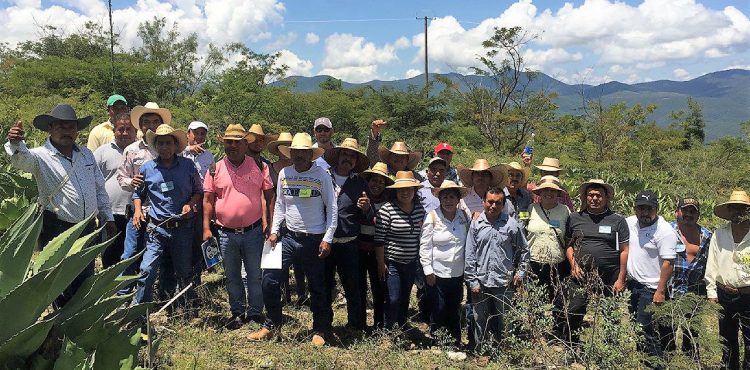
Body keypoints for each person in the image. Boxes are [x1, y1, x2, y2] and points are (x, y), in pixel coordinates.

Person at [4, 104, 115, 308]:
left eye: (71, 127)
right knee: (60, 280)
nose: (66, 131)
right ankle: (59, 326)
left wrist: (107, 216)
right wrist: (15, 143)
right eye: (61, 126)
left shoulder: (86, 155)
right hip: (58, 228)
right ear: (50, 128)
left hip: (88, 226)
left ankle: (79, 320)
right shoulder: (39, 156)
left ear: (76, 130)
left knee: (85, 275)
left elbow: (99, 187)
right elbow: (20, 161)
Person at [249, 133, 337, 346]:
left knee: (317, 286)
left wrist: (327, 238)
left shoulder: (322, 175)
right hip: (287, 237)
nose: (299, 155)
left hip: (314, 239)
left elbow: (332, 208)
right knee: (269, 280)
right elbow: (280, 205)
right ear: (291, 153)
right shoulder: (284, 173)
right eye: (295, 152)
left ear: (310, 154)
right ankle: (271, 325)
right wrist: (274, 230)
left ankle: (320, 329)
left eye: (303, 152)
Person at [203, 124, 274, 328]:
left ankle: (255, 313)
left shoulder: (259, 166)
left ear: (245, 144)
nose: (232, 146)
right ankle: (237, 312)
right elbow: (208, 200)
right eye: (228, 142)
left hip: (253, 231)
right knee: (232, 275)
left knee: (254, 274)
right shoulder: (215, 168)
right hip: (225, 233)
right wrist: (206, 228)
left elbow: (270, 196)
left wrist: (268, 222)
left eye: (237, 142)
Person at [131, 124, 202, 305]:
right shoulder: (147, 168)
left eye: (168, 143)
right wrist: (138, 210)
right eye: (160, 143)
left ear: (175, 145)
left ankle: (186, 307)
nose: (164, 147)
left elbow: (198, 191)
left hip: (182, 227)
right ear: (156, 146)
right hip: (157, 228)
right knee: (146, 270)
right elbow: (138, 194)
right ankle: (140, 312)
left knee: (184, 270)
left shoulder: (187, 166)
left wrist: (189, 205)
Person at [561, 179, 629, 344]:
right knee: (575, 309)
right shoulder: (575, 218)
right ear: (585, 197)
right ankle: (572, 344)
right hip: (581, 274)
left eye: (598, 195)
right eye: (590, 195)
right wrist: (574, 265)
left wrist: (621, 278)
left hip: (609, 275)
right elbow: (568, 246)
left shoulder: (617, 220)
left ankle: (610, 349)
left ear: (606, 197)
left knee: (610, 313)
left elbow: (625, 250)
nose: (594, 198)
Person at [116, 102, 172, 293]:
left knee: (161, 255)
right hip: (138, 211)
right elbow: (121, 177)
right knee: (130, 253)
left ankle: (161, 292)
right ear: (140, 125)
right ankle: (123, 294)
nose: (151, 125)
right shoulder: (131, 150)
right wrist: (132, 182)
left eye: (155, 121)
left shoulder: (169, 147)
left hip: (163, 213)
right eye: (146, 122)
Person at [464, 187, 529, 351]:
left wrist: (520, 273)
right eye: (490, 202)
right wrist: (472, 281)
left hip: (504, 281)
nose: (493, 206)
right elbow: (470, 254)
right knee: (480, 318)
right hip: (481, 281)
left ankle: (504, 349)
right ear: (483, 202)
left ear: (503, 204)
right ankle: (483, 350)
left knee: (505, 318)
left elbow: (524, 250)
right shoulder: (476, 224)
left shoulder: (512, 225)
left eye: (498, 203)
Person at [322, 138, 370, 329]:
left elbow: (368, 213)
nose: (348, 159)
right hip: (325, 242)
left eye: (352, 156)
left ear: (356, 162)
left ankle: (355, 325)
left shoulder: (360, 182)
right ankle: (325, 324)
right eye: (345, 154)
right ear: (338, 156)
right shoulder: (323, 177)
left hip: (350, 243)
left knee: (353, 287)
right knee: (324, 285)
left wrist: (366, 208)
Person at [625, 190, 677, 360]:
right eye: (641, 208)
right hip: (633, 284)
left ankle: (656, 362)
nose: (645, 213)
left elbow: (668, 263)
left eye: (649, 209)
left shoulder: (665, 231)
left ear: (657, 208)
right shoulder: (630, 223)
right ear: (635, 209)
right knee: (636, 323)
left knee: (645, 326)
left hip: (652, 287)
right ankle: (643, 358)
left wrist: (660, 291)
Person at [420, 180, 471, 346]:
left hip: (457, 272)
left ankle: (455, 340)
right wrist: (428, 270)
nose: (448, 201)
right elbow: (425, 245)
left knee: (454, 307)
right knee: (438, 308)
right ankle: (438, 340)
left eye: (452, 197)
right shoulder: (432, 216)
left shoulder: (463, 216)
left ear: (458, 200)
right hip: (437, 273)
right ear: (440, 199)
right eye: (445, 197)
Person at [705, 190, 750, 370]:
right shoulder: (719, 234)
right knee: (727, 341)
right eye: (734, 207)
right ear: (729, 210)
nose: (738, 211)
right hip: (725, 295)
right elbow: (712, 263)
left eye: (742, 207)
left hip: (748, 296)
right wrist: (711, 292)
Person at [375, 171, 426, 329]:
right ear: (395, 191)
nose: (405, 193)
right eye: (401, 189)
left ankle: (402, 326)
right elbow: (379, 240)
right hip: (393, 263)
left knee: (404, 298)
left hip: (411, 263)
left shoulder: (419, 210)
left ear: (414, 191)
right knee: (393, 298)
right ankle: (388, 329)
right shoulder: (387, 210)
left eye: (409, 189)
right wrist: (381, 262)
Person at [526, 176, 570, 335]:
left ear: (558, 193)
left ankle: (557, 332)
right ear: (540, 192)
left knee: (559, 300)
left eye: (552, 190)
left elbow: (569, 236)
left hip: (557, 262)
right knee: (535, 298)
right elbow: (522, 231)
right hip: (534, 262)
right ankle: (535, 331)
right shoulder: (530, 208)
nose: (549, 193)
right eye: (545, 190)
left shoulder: (565, 211)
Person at [669, 196, 712, 356]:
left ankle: (691, 359)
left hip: (695, 290)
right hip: (670, 288)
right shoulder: (667, 231)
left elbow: (711, 263)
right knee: (668, 327)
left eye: (692, 211)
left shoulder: (707, 236)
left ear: (698, 215)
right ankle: (668, 360)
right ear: (677, 212)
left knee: (692, 330)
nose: (688, 214)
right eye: (684, 210)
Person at [93, 112, 138, 268]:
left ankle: (132, 286)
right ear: (114, 131)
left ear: (135, 131)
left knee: (134, 252)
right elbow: (93, 180)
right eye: (121, 129)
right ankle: (110, 288)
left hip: (136, 212)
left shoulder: (142, 151)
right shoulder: (101, 152)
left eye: (128, 129)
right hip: (110, 212)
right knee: (111, 251)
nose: (125, 133)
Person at [267, 132, 304, 305]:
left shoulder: (300, 168)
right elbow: (266, 195)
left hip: (296, 217)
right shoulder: (270, 168)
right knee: (278, 258)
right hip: (276, 215)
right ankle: (283, 294)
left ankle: (301, 294)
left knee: (298, 260)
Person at [357, 162, 393, 330]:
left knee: (379, 288)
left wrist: (368, 210)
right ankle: (360, 322)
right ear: (368, 181)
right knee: (360, 288)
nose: (377, 184)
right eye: (374, 180)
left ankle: (379, 324)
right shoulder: (361, 197)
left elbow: (379, 224)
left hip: (379, 252)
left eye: (381, 182)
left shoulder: (388, 202)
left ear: (385, 185)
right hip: (360, 251)